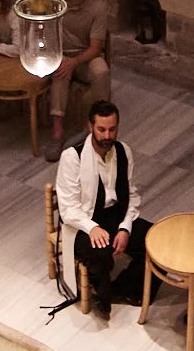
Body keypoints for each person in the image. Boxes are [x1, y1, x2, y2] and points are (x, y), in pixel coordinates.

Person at [54, 100, 149, 322]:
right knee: (100, 254)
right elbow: (68, 209)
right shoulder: (72, 157)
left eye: (112, 129)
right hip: (82, 221)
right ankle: (102, 294)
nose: (107, 136)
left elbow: (131, 195)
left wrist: (125, 228)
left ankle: (122, 288)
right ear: (91, 127)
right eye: (101, 130)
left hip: (116, 214)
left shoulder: (124, 151)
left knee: (157, 242)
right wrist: (92, 227)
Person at [44, 0, 110, 154]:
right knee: (61, 72)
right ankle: (57, 132)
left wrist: (75, 62)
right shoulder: (57, 1)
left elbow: (96, 48)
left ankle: (95, 125)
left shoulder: (98, 8)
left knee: (101, 71)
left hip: (85, 57)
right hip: (62, 55)